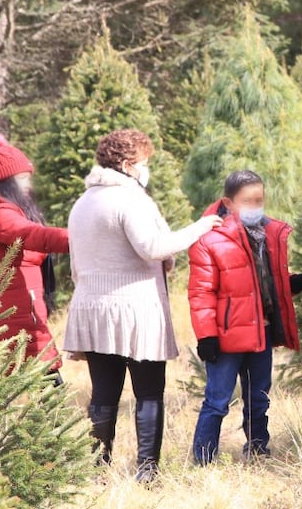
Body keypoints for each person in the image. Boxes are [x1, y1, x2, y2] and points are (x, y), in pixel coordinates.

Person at [63, 129, 223, 483]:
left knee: (103, 395)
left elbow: (76, 261)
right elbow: (153, 247)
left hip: (91, 308)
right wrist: (199, 227)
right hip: (134, 309)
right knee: (149, 393)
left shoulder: (83, 201)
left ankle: (96, 471)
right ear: (126, 164)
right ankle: (148, 473)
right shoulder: (129, 199)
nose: (145, 168)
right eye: (143, 162)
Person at [187, 170, 302, 465]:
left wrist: (297, 283)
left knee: (258, 398)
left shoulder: (266, 234)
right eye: (247, 201)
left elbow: (267, 282)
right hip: (226, 338)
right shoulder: (208, 240)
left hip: (261, 332)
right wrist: (206, 335)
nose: (255, 206)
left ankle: (258, 451)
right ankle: (203, 460)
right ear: (228, 202)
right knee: (217, 401)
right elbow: (201, 293)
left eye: (259, 199)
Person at [0, 133, 69, 382]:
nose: (28, 185)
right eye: (22, 179)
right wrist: (78, 238)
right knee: (50, 393)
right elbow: (32, 235)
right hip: (16, 319)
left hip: (19, 313)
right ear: (7, 183)